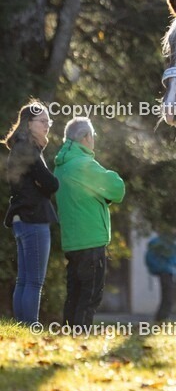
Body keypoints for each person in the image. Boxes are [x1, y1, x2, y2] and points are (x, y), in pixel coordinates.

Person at [54, 118, 125, 327]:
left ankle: (68, 336)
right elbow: (117, 188)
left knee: (74, 294)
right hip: (91, 240)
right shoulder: (84, 164)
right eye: (92, 136)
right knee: (90, 295)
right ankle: (80, 337)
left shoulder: (61, 166)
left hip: (71, 241)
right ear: (86, 137)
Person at [3, 101, 59, 324]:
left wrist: (41, 183)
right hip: (33, 218)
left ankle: (22, 325)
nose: (47, 125)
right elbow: (52, 183)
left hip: (20, 219)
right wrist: (44, 183)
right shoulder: (28, 149)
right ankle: (31, 325)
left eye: (49, 121)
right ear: (29, 123)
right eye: (43, 121)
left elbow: (39, 182)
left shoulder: (20, 146)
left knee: (24, 280)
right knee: (34, 281)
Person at [145, 233, 176, 322]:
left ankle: (161, 318)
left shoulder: (168, 242)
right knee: (168, 297)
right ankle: (162, 319)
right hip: (166, 272)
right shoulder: (163, 243)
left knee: (167, 297)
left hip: (168, 271)